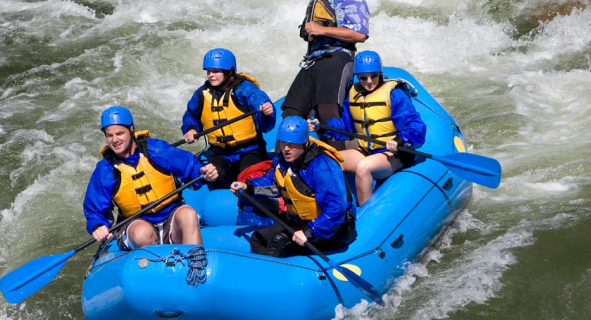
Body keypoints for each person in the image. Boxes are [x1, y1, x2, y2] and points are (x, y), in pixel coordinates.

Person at [84, 106, 219, 248]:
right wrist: (97, 225)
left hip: (171, 217)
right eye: (109, 135)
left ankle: (195, 262)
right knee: (142, 233)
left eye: (119, 133)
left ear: (131, 129)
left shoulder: (156, 150)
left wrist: (202, 173)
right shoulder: (105, 169)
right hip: (136, 223)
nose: (115, 140)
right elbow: (94, 209)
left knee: (188, 214)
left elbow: (189, 166)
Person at [230, 116, 356, 258]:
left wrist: (310, 231)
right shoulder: (283, 162)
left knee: (278, 243)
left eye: (292, 144)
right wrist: (248, 186)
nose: (286, 149)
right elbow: (273, 183)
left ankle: (274, 276)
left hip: (335, 227)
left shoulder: (322, 166)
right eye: (283, 143)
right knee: (258, 239)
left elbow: (336, 207)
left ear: (305, 142)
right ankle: (264, 275)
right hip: (301, 221)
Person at [319, 51, 426, 206]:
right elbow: (345, 127)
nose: (369, 81)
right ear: (358, 76)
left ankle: (365, 215)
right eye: (363, 77)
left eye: (373, 76)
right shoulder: (354, 95)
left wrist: (400, 140)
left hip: (394, 154)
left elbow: (416, 125)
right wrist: (322, 127)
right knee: (328, 160)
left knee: (363, 167)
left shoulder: (394, 94)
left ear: (380, 74)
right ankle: (336, 208)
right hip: (367, 150)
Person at [282, 0, 371, 126]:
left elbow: (360, 34)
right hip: (313, 60)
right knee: (291, 112)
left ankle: (338, 152)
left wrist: (323, 31)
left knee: (327, 110)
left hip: (337, 57)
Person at [182, 48, 276, 189]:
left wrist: (266, 112)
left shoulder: (244, 89)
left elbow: (262, 112)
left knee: (250, 177)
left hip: (249, 149)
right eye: (209, 71)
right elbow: (191, 115)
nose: (211, 75)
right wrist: (191, 129)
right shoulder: (202, 93)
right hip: (221, 152)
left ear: (228, 71)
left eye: (216, 71)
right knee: (214, 178)